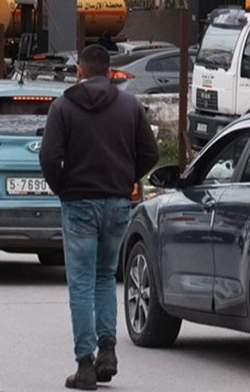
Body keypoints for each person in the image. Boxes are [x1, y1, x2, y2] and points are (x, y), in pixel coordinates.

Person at [40, 44, 159, 390]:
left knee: (80, 281)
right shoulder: (129, 106)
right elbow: (149, 153)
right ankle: (108, 350)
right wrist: (124, 179)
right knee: (106, 277)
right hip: (117, 203)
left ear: (80, 70)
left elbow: (49, 157)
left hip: (78, 203)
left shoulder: (63, 107)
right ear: (109, 72)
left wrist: (63, 186)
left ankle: (85, 364)